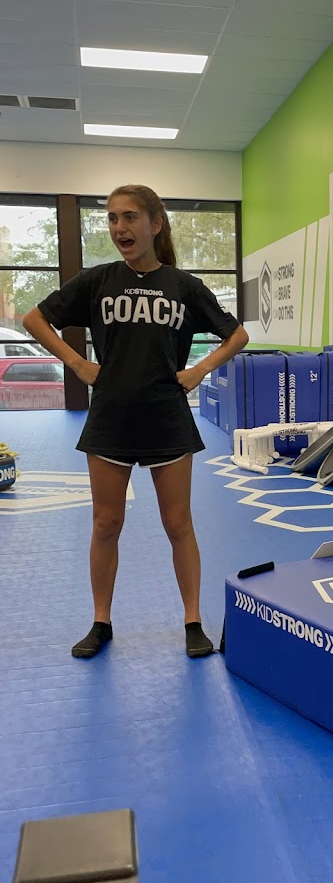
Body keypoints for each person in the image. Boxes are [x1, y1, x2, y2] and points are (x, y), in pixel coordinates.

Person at [23, 184, 249, 659]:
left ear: (155, 223)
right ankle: (100, 621)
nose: (119, 228)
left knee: (178, 523)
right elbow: (35, 319)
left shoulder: (184, 286)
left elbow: (237, 335)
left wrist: (199, 370)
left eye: (129, 217)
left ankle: (192, 621)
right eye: (112, 218)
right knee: (106, 522)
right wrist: (78, 364)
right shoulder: (97, 280)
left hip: (167, 418)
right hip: (111, 418)